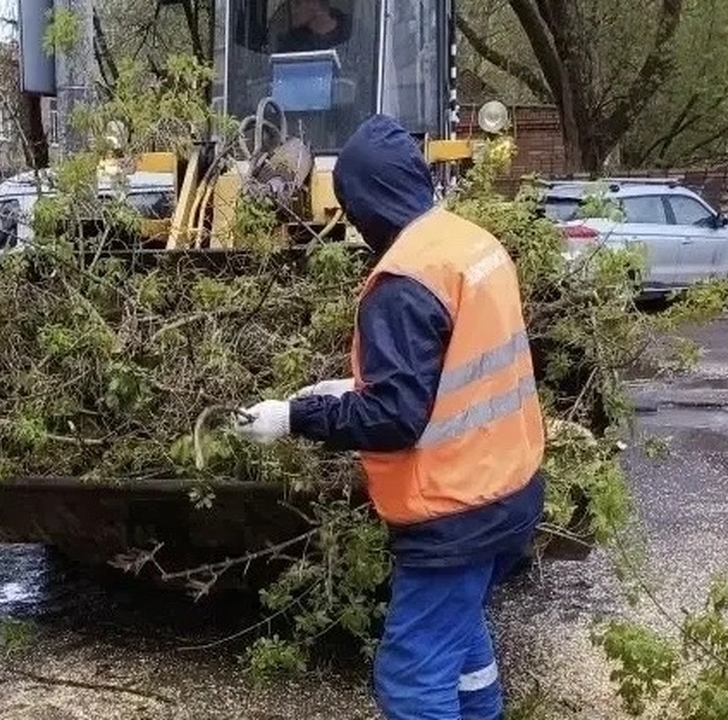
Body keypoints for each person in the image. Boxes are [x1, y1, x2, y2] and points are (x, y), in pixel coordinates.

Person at [230, 113, 546, 720]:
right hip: (511, 489)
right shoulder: (471, 245)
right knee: (462, 643)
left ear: (365, 201)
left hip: (455, 512)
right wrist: (355, 384)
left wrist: (294, 417)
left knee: (411, 680)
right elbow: (463, 365)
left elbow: (395, 420)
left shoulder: (403, 280)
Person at [274, 0, 351, 53]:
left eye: (297, 3)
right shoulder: (290, 40)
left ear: (314, 4)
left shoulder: (350, 29)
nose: (293, 11)